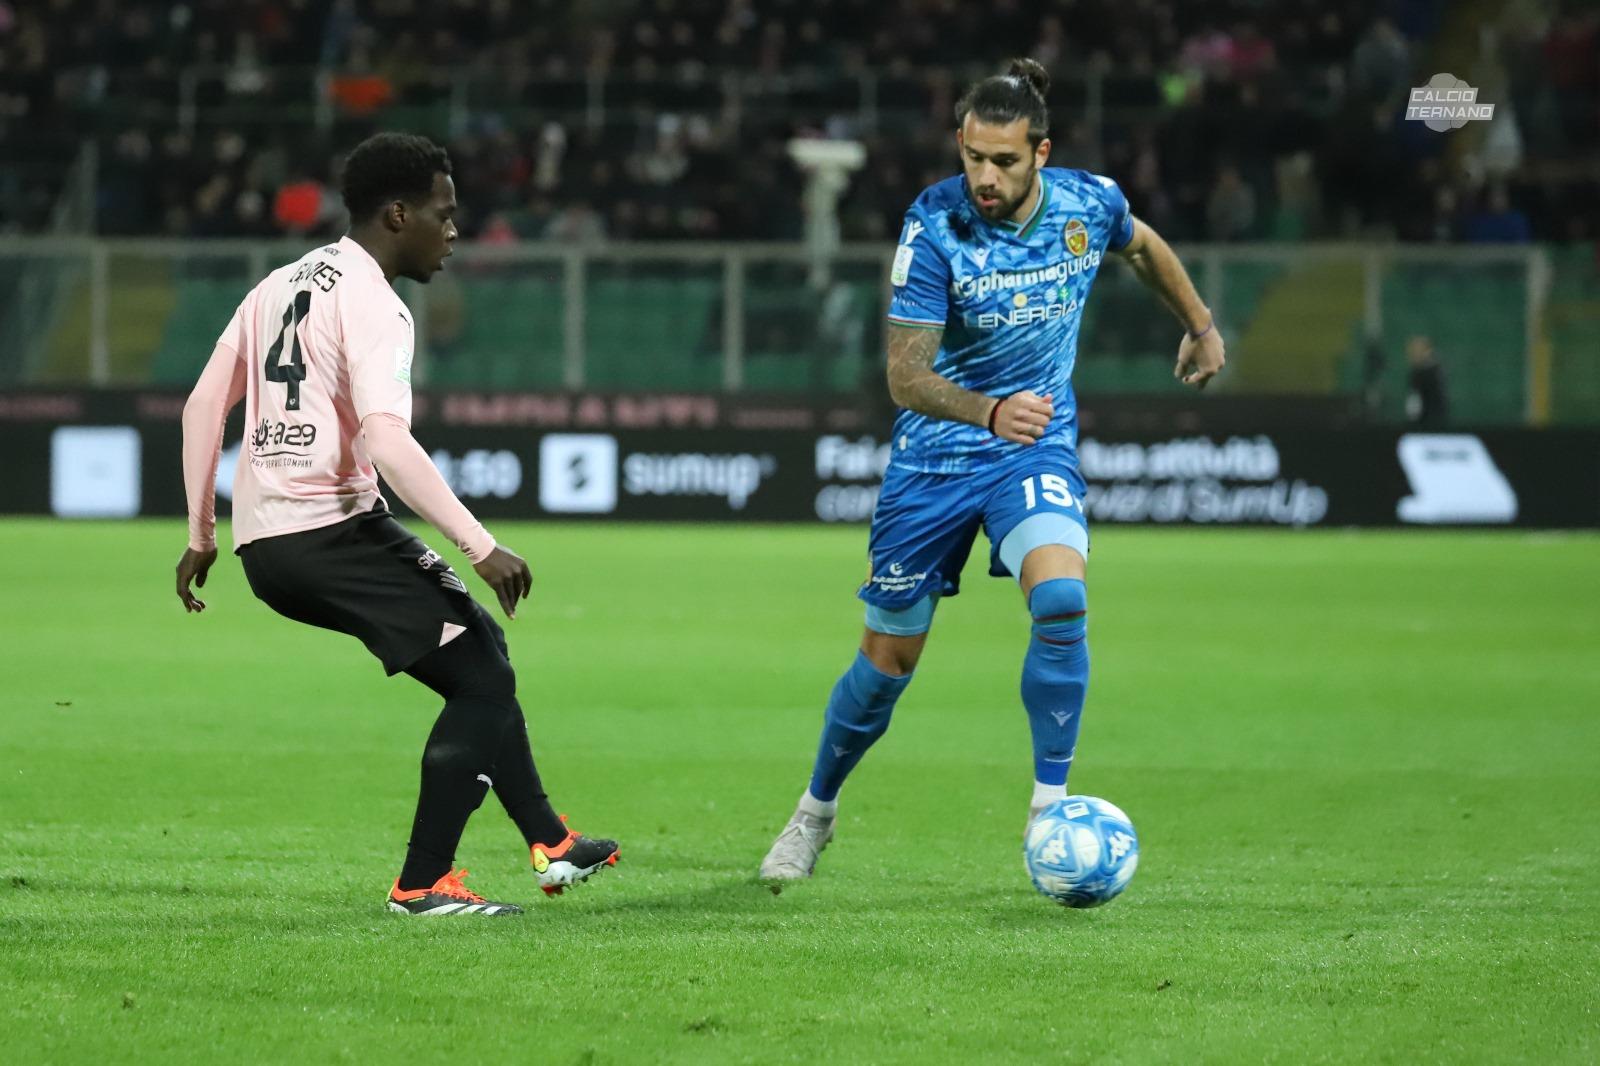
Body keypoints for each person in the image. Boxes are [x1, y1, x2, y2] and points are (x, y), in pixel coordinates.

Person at [759, 59, 1225, 883]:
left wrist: (1199, 323)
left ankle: (1050, 810)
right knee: (886, 666)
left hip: (1032, 448)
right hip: (935, 462)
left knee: (1062, 598)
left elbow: (1142, 246)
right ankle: (815, 812)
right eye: (973, 156)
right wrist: (986, 409)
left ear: (1041, 153)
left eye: (1003, 160)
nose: (983, 175)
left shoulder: (1088, 203)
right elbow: (904, 376)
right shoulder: (932, 227)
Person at [175, 132, 618, 916]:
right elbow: (385, 440)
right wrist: (480, 545)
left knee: (482, 652)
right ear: (397, 213)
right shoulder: (376, 303)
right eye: (444, 216)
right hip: (327, 531)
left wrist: (202, 533)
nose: (454, 232)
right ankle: (423, 884)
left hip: (270, 540)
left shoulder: (275, 285)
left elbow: (205, 404)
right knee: (481, 675)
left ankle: (549, 840)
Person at [1405, 334, 1449, 426]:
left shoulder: (1430, 373)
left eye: (1418, 351)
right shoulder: (1417, 374)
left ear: (1428, 351)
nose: (1414, 355)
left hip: (1431, 425)